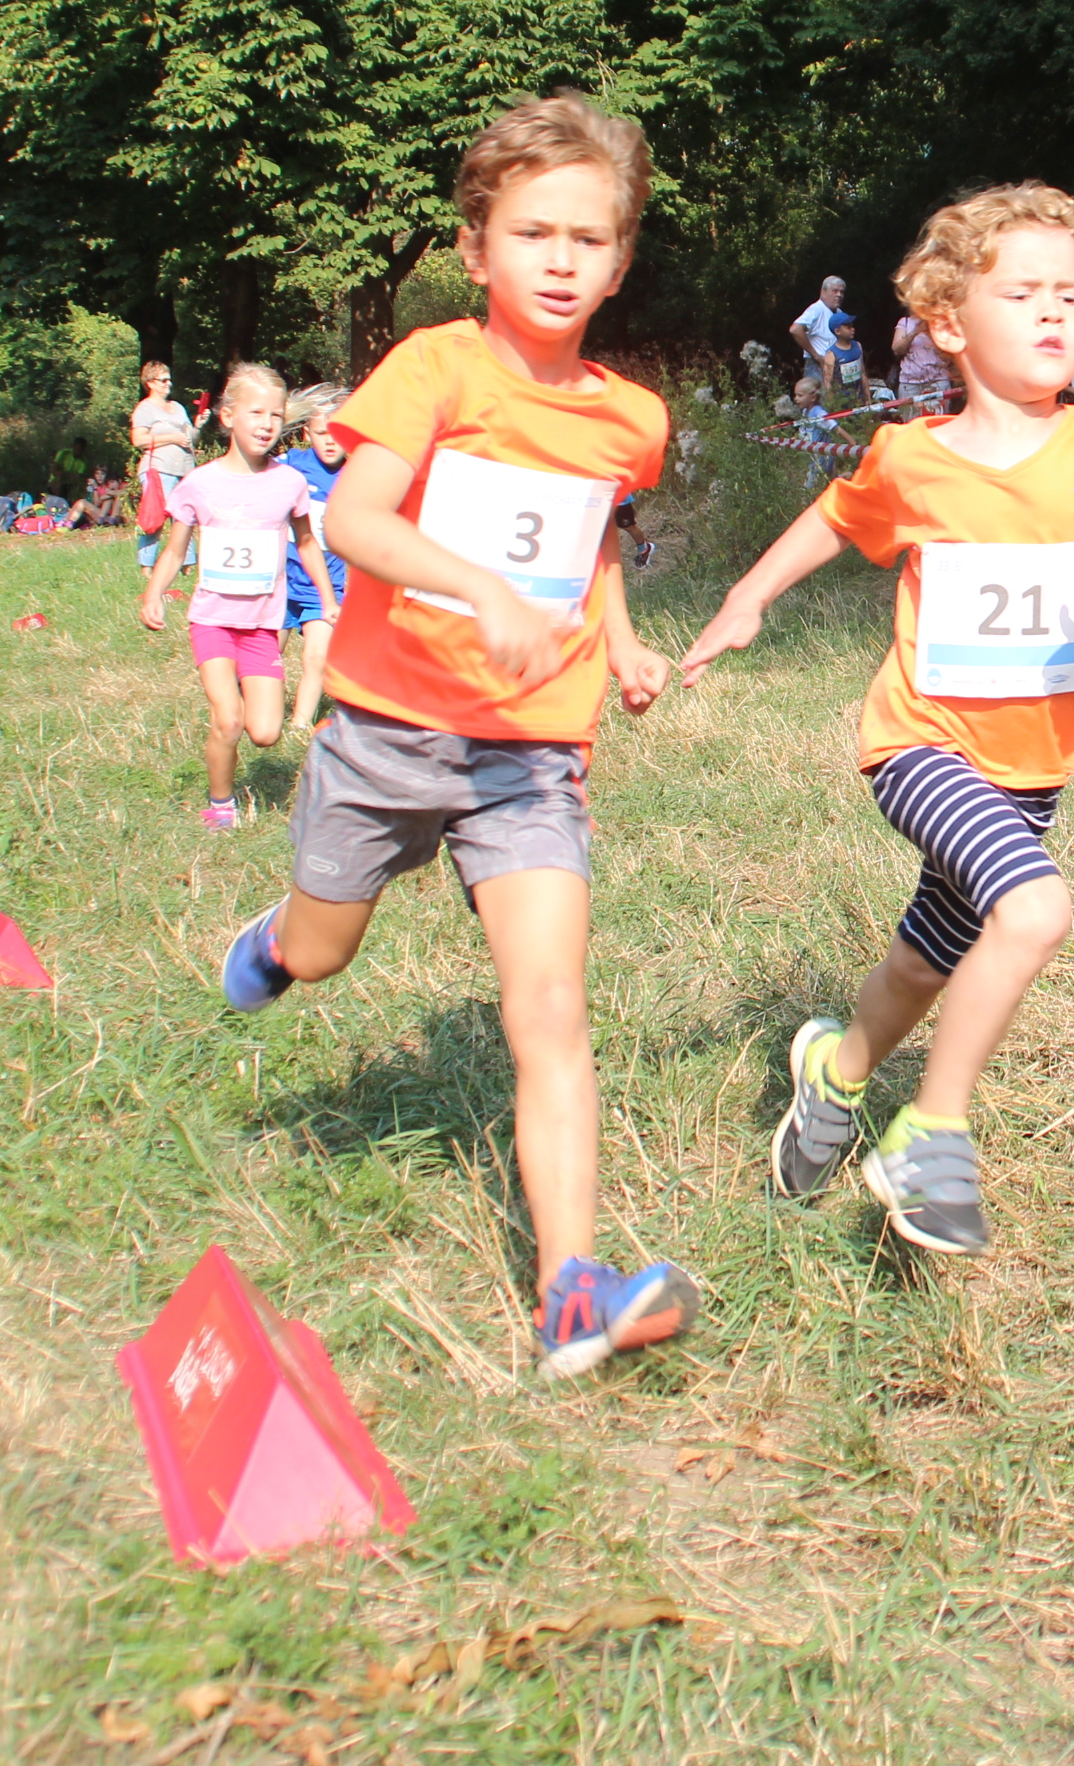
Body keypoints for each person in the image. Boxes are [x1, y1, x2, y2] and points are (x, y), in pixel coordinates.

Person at [212, 91, 691, 1381]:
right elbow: (355, 522)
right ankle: (277, 940)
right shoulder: (435, 366)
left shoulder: (630, 419)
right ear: (477, 250)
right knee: (324, 954)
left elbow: (590, 541)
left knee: (552, 1008)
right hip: (384, 734)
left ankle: (572, 1292)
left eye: (589, 239)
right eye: (532, 234)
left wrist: (621, 641)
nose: (560, 261)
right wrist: (482, 590)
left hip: (530, 754)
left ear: (621, 261)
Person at [678, 183, 1074, 1256]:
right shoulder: (913, 457)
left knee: (928, 958)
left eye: (1070, 295)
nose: (1053, 312)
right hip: (922, 743)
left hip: (1037, 766)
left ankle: (835, 1071)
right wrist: (745, 601)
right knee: (1032, 910)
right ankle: (931, 1135)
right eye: (1021, 293)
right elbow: (834, 518)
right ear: (947, 323)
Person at [139, 364, 339, 830]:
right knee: (229, 721)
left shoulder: (289, 483)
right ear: (228, 417)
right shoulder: (199, 483)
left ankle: (239, 701)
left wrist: (329, 599)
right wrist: (154, 593)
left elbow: (308, 543)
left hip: (262, 627)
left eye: (276, 415)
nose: (267, 424)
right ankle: (221, 805)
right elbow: (176, 550)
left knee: (266, 732)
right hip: (213, 621)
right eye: (256, 413)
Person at [279, 383, 352, 732]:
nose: (330, 441)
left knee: (316, 656)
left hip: (327, 587)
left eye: (338, 433)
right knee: (267, 656)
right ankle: (253, 708)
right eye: (321, 433)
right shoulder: (290, 464)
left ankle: (298, 725)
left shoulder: (359, 476)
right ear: (307, 432)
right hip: (280, 580)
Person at [131, 359, 197, 574]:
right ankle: (147, 568)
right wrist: (171, 437)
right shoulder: (145, 408)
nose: (169, 383)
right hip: (158, 470)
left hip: (184, 470)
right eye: (163, 380)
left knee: (184, 517)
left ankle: (188, 566)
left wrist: (198, 426)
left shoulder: (177, 407)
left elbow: (190, 437)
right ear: (150, 383)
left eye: (169, 379)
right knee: (156, 517)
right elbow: (138, 439)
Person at [790, 273, 848, 386]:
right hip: (818, 365)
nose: (839, 295)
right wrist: (816, 356)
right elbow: (795, 329)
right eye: (835, 291)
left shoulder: (839, 313)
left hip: (836, 366)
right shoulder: (817, 309)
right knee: (818, 396)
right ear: (823, 292)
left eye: (842, 292)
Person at [893, 307, 951, 416]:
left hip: (938, 381)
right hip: (910, 383)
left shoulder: (940, 321)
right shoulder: (905, 322)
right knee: (910, 422)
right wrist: (915, 332)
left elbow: (951, 347)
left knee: (938, 421)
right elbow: (897, 349)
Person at [790, 376, 843, 488]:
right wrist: (797, 438)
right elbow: (805, 430)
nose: (796, 399)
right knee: (831, 482)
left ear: (812, 397)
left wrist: (853, 446)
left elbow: (836, 428)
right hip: (814, 454)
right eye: (795, 395)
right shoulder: (805, 412)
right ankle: (847, 480)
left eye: (800, 395)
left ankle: (806, 499)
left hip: (822, 455)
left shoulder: (819, 414)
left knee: (809, 486)